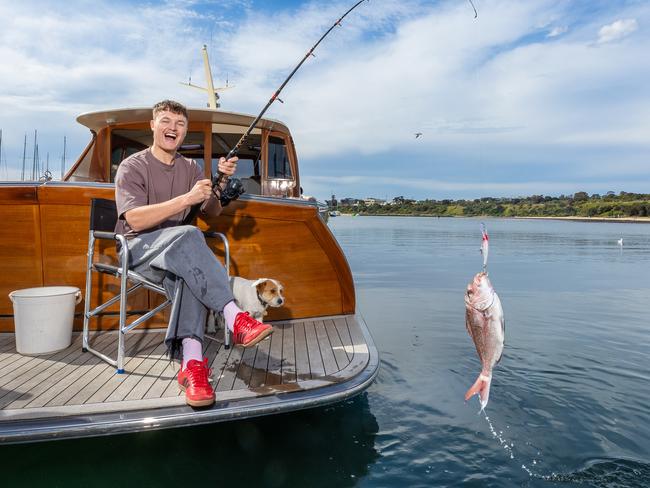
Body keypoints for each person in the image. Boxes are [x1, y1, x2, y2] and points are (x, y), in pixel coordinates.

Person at [114, 99, 273, 408]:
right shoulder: (132, 166)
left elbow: (210, 211)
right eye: (166, 121)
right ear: (153, 125)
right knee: (189, 234)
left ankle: (192, 366)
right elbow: (134, 219)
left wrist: (220, 181)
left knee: (189, 267)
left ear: (185, 131)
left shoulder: (191, 168)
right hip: (138, 250)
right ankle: (235, 317)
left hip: (176, 254)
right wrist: (185, 197)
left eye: (180, 124)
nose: (173, 128)